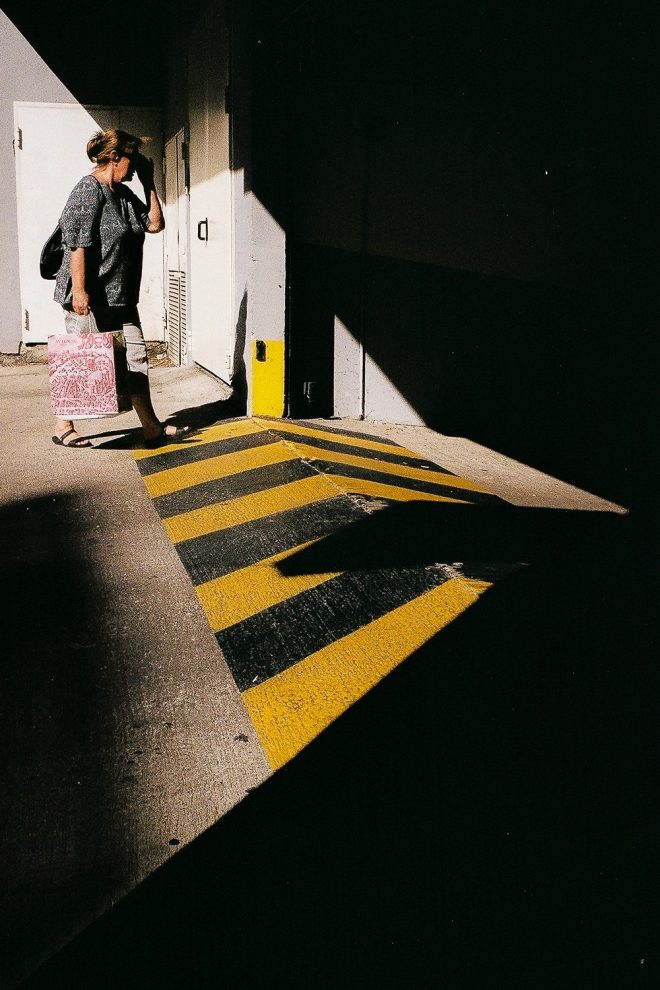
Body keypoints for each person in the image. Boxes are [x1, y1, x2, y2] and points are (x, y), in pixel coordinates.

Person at [51, 128, 190, 448]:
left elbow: (155, 224)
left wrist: (148, 181)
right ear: (115, 158)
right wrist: (81, 292)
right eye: (134, 158)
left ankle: (151, 427)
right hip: (91, 297)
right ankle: (63, 425)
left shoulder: (123, 195)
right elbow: (77, 245)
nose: (136, 164)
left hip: (122, 297)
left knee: (136, 360)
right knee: (80, 361)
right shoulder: (88, 190)